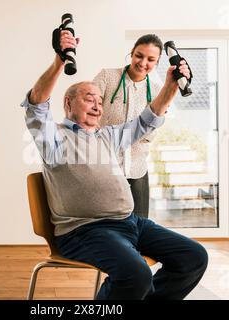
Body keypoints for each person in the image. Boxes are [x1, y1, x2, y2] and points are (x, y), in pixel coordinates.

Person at [21, 30, 208, 300]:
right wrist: (60, 61)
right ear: (67, 102)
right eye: (89, 99)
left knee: (194, 257)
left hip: (130, 223)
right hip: (85, 231)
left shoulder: (106, 135)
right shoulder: (54, 137)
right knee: (137, 274)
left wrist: (170, 85)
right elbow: (36, 105)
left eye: (100, 101)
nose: (97, 106)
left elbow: (148, 119)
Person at [93, 34, 165, 218]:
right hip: (105, 165)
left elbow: (151, 134)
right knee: (106, 223)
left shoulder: (157, 91)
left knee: (140, 224)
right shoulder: (107, 77)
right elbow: (88, 111)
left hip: (137, 168)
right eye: (139, 55)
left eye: (150, 59)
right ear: (131, 53)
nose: (143, 63)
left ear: (157, 62)